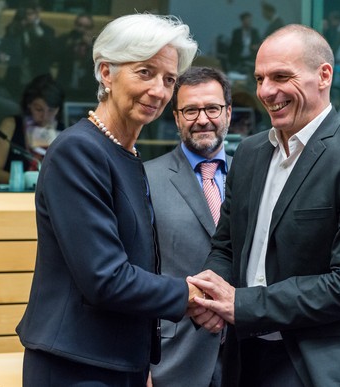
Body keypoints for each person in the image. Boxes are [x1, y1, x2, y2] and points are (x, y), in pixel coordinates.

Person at [188, 24, 340, 387]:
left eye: (282, 76)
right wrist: (211, 295)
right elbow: (226, 246)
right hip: (243, 360)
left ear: (324, 75)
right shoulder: (251, 152)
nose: (267, 92)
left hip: (315, 368)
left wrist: (242, 304)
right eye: (260, 78)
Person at [15, 14, 201, 386]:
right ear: (106, 72)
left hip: (117, 362)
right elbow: (106, 277)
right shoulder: (78, 151)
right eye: (145, 73)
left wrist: (142, 363)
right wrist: (191, 295)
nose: (160, 91)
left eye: (169, 79)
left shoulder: (125, 153)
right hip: (75, 366)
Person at [144, 66, 232, 387]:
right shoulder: (146, 178)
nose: (202, 119)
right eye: (190, 110)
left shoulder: (252, 176)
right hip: (172, 360)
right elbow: (138, 272)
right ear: (177, 118)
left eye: (212, 108)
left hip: (244, 358)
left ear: (228, 113)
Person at [0, 73, 64, 184]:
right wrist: (23, 180)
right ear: (29, 105)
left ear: (58, 109)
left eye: (51, 111)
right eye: (39, 109)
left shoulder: (64, 131)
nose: (44, 116)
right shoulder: (11, 125)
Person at [55, 13, 97, 101]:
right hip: (65, 89)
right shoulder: (65, 40)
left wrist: (90, 47)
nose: (82, 30)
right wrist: (71, 45)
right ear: (75, 26)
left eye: (86, 27)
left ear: (91, 29)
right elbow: (55, 57)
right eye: (79, 25)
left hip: (88, 92)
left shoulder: (96, 45)